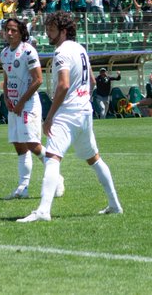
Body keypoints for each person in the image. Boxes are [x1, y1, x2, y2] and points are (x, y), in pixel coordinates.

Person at [18, 12, 123, 223]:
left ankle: (43, 211)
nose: (48, 33)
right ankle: (114, 205)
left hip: (68, 113)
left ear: (63, 31)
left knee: (52, 158)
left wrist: (50, 116)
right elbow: (92, 82)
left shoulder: (61, 52)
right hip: (85, 112)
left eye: (52, 29)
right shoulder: (81, 49)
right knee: (94, 158)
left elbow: (63, 85)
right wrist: (83, 99)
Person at [1, 18, 64, 200]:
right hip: (13, 105)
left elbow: (38, 79)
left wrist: (21, 102)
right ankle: (23, 188)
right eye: (7, 30)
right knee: (19, 145)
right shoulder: (4, 53)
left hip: (28, 105)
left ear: (21, 33)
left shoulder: (28, 51)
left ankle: (57, 176)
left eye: (13, 30)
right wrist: (6, 97)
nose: (10, 33)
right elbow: (6, 79)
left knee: (33, 144)